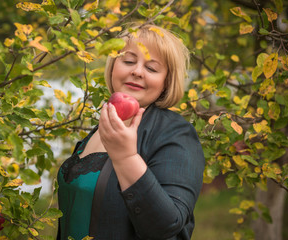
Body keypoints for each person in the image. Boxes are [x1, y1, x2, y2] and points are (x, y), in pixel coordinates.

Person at [57, 24, 205, 240]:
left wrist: (125, 157)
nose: (136, 71)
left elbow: (167, 226)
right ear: (113, 67)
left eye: (152, 68)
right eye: (128, 61)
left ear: (166, 82)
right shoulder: (104, 127)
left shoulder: (177, 134)